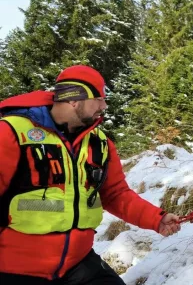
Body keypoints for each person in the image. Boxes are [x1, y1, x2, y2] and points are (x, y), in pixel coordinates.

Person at [0, 65, 181, 284]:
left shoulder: (100, 143)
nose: (104, 106)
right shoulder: (10, 133)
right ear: (74, 99)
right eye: (99, 98)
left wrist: (157, 219)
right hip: (16, 268)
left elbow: (115, 194)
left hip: (77, 263)